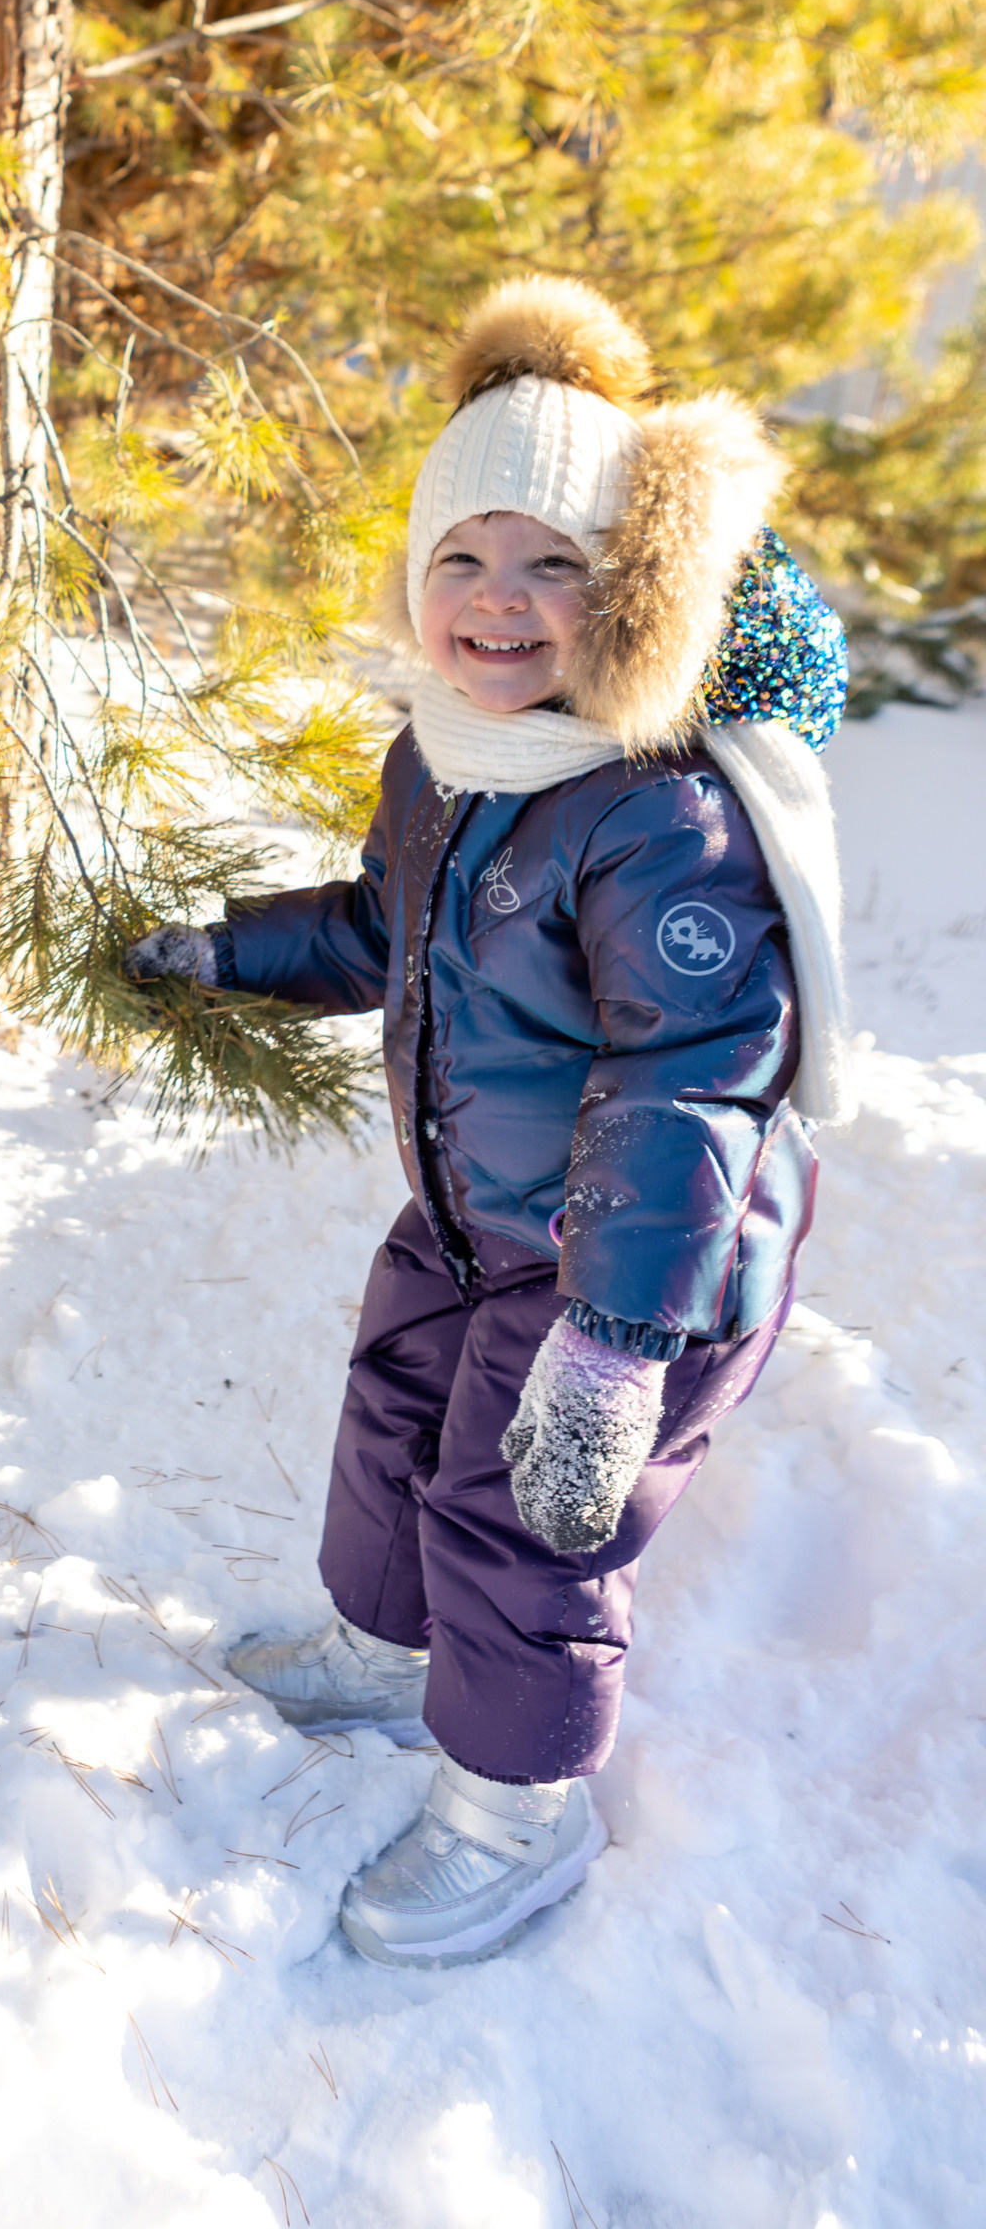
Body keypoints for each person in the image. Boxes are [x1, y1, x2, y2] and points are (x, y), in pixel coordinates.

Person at [125, 277, 850, 1968]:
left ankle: (519, 1809)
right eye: (462, 556)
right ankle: (391, 1652)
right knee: (396, 1410)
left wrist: (610, 1347)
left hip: (641, 1267)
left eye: (554, 564)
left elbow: (690, 1082)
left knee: (523, 1509)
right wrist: (229, 954)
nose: (500, 600)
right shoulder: (442, 759)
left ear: (632, 598)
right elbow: (383, 927)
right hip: (477, 1212)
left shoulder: (661, 813)